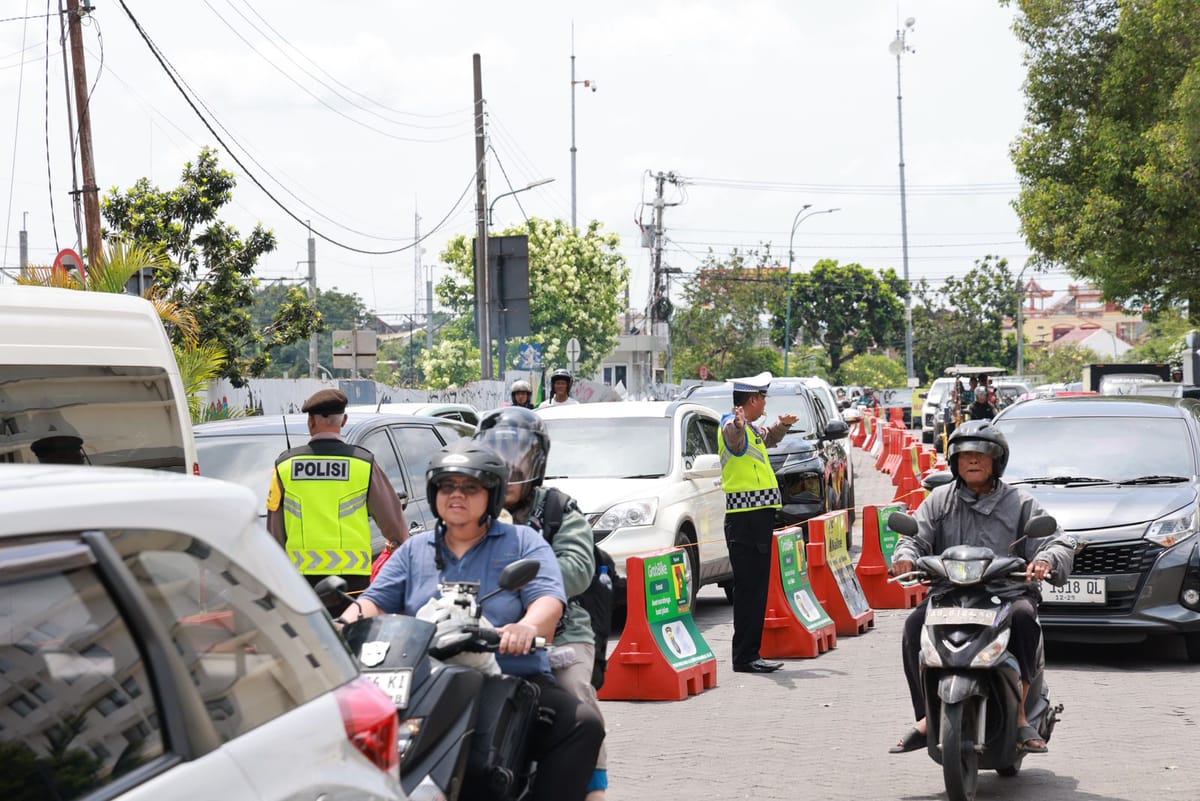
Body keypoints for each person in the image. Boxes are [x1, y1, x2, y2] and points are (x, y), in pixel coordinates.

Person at [340, 439, 604, 801]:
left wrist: (525, 627)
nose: (456, 495)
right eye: (447, 486)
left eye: (470, 487)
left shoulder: (522, 541)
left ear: (492, 495)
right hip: (425, 680)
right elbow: (372, 602)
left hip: (508, 675)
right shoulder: (415, 549)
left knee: (581, 724)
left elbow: (547, 600)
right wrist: (339, 628)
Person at [887, 420, 1076, 755]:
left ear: (996, 461)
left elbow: (1056, 541)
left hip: (1006, 593)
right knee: (913, 625)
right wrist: (905, 556)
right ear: (954, 462)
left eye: (981, 454)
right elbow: (914, 538)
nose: (972, 460)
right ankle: (926, 715)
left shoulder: (1020, 502)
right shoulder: (939, 501)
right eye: (965, 455)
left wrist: (1046, 559)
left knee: (1024, 618)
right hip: (949, 594)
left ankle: (1020, 717)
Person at [474, 406, 610, 800]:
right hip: (482, 631)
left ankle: (593, 787)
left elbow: (578, 569)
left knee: (577, 698)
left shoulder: (557, 509)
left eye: (518, 458)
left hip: (561, 633)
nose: (508, 470)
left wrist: (526, 592)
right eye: (498, 457)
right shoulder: (473, 509)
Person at [266, 388, 409, 611]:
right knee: (352, 630)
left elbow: (274, 534)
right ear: (344, 420)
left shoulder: (284, 465)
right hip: (352, 581)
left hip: (301, 581)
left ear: (310, 421)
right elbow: (394, 526)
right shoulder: (363, 463)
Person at [718, 372, 797, 673]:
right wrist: (738, 425)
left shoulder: (751, 428)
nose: (765, 402)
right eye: (762, 397)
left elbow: (767, 437)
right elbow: (733, 436)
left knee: (755, 589)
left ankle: (750, 653)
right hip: (746, 519)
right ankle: (745, 656)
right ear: (752, 399)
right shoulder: (733, 425)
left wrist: (782, 424)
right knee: (749, 590)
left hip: (756, 517)